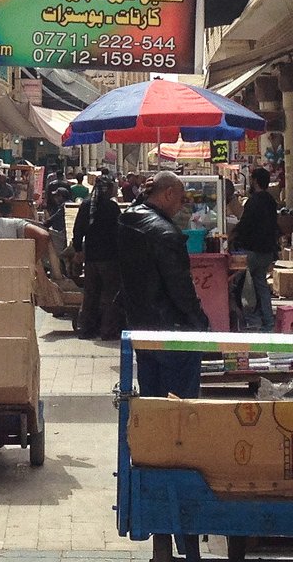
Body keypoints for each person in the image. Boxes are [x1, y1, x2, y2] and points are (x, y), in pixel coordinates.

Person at [117, 171, 208, 399]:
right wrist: (200, 322)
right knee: (179, 408)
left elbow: (130, 210)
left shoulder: (128, 220)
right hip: (172, 331)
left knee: (152, 403)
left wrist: (141, 197)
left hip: (141, 326)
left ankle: (153, 435)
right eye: (180, 198)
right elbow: (181, 290)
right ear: (168, 194)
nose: (181, 206)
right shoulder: (167, 234)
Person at [72, 174, 123, 341]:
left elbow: (78, 229)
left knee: (90, 294)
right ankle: (108, 331)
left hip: (91, 257)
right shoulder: (111, 207)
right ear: (108, 189)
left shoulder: (87, 205)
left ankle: (86, 329)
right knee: (110, 295)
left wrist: (78, 249)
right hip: (109, 257)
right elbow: (118, 232)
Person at [230, 167, 280, 331]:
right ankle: (268, 322)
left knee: (234, 282)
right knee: (261, 285)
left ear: (256, 181)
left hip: (251, 252)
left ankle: (242, 318)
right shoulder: (271, 202)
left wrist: (233, 235)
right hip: (266, 252)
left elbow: (245, 224)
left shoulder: (253, 201)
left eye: (252, 179)